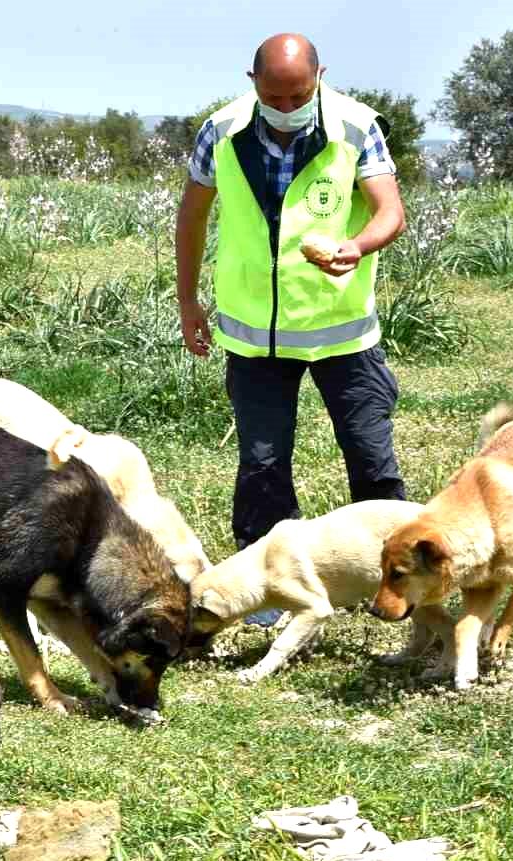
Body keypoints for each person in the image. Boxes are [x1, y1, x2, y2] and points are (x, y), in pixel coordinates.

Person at [173, 33, 407, 625]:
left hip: (342, 334)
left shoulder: (356, 126)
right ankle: (265, 593)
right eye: (272, 97)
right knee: (262, 464)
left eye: (298, 95)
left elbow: (390, 211)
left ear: (320, 77)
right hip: (255, 337)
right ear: (252, 82)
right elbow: (192, 219)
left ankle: (398, 578)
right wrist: (188, 301)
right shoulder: (220, 132)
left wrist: (355, 247)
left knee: (371, 459)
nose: (284, 108)